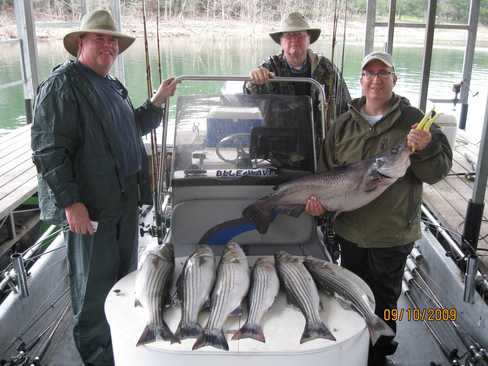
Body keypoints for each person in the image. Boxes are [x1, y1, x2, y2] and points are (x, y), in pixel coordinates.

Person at [31, 9, 178, 366]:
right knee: (93, 294)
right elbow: (48, 150)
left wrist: (156, 104)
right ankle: (99, 358)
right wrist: (71, 203)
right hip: (91, 211)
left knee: (123, 283)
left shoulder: (112, 86)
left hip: (124, 207)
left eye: (113, 41)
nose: (109, 46)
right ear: (80, 43)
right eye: (101, 39)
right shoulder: (62, 86)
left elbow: (131, 128)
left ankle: (123, 349)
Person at [305, 51, 452, 366]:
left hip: (392, 233)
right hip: (349, 230)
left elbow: (436, 174)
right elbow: (327, 173)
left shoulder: (416, 122)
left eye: (383, 73)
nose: (375, 80)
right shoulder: (342, 124)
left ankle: (380, 355)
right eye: (369, 74)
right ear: (360, 81)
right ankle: (354, 347)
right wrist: (322, 207)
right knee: (351, 294)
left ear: (394, 80)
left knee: (385, 299)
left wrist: (425, 148)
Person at [245, 12, 351, 137]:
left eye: (300, 35)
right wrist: (253, 79)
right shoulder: (269, 67)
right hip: (280, 147)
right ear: (281, 41)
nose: (294, 40)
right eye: (289, 35)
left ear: (309, 40)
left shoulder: (327, 68)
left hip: (320, 147)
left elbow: (346, 106)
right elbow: (249, 94)